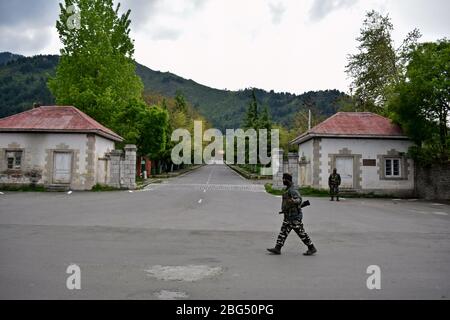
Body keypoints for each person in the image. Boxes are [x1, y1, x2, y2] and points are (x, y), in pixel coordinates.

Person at [267, 173, 317, 256]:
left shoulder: (292, 190)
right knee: (283, 232)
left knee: (301, 233)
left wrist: (293, 201)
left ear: (288, 180)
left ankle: (311, 248)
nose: (283, 180)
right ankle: (277, 248)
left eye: (284, 179)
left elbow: (299, 199)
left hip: (294, 217)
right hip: (288, 216)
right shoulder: (288, 189)